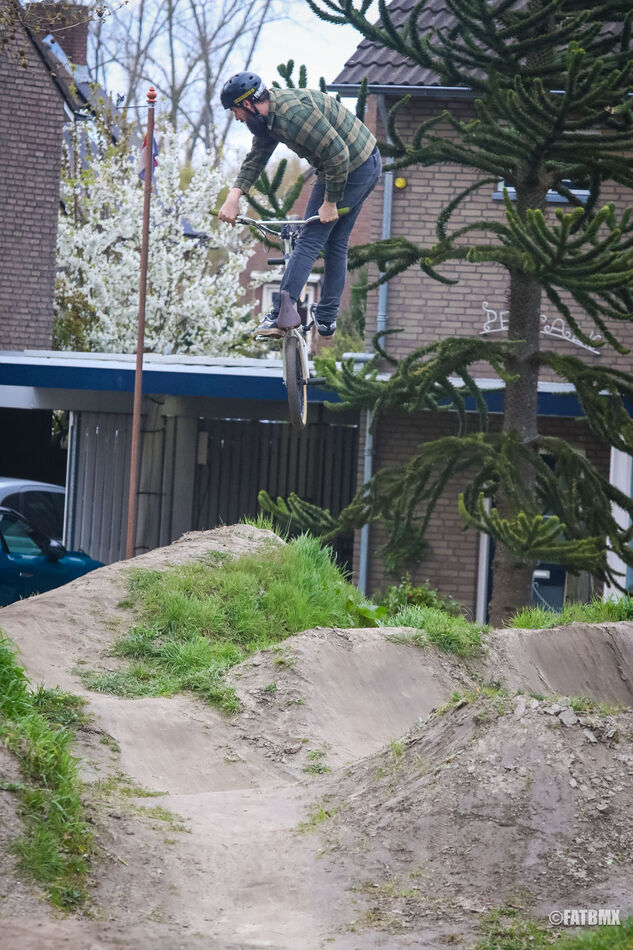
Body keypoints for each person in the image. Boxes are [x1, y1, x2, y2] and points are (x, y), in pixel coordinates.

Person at [218, 71, 382, 338]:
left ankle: (280, 314)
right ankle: (326, 316)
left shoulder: (293, 116)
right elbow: (257, 157)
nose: (237, 118)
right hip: (347, 165)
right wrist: (233, 196)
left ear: (247, 103)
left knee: (310, 239)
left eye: (236, 111)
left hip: (356, 166)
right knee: (335, 241)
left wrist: (330, 202)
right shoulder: (267, 120)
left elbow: (339, 154)